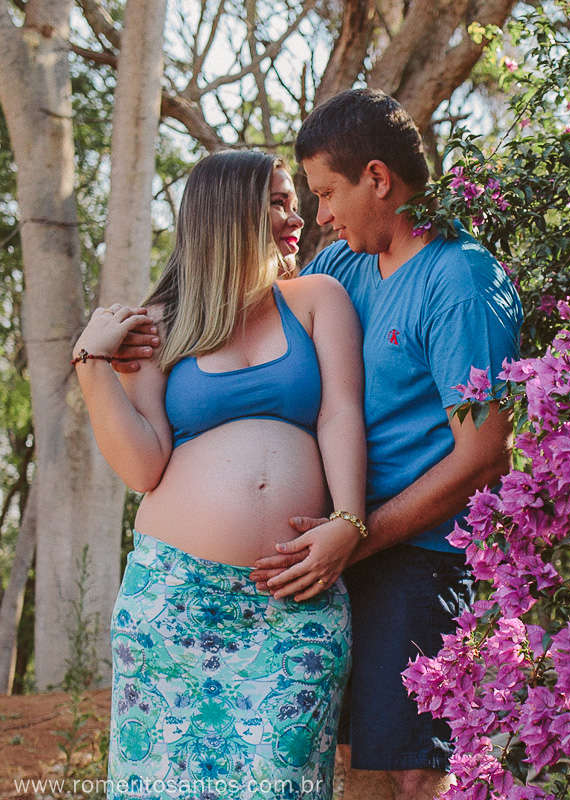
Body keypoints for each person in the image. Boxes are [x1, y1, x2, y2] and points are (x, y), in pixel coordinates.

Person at [250, 89, 523, 800]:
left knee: (411, 773)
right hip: (343, 554)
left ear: (377, 178)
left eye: (326, 193)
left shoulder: (461, 280)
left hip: (419, 562)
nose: (320, 216)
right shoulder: (344, 267)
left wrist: (356, 536)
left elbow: (485, 455)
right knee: (355, 764)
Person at [75, 150, 366, 800]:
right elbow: (143, 466)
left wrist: (349, 521)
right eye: (278, 202)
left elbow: (341, 413)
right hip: (174, 600)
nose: (297, 217)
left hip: (292, 600)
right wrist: (92, 364)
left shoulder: (317, 299)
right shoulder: (160, 323)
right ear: (229, 212)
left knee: (283, 783)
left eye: (292, 201)